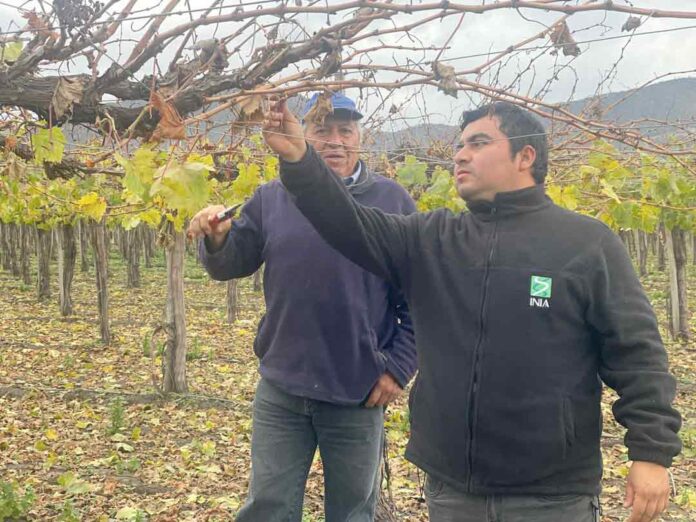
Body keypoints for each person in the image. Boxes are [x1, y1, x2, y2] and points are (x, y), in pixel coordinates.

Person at [261, 99, 682, 522]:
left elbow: (637, 353)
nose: (461, 154)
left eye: (479, 142)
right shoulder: (433, 239)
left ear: (525, 156)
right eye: (460, 145)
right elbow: (347, 221)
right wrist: (299, 158)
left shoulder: (586, 244)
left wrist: (651, 452)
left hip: (551, 494)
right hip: (452, 489)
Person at [187, 92, 417, 522]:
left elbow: (418, 299)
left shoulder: (393, 202)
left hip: (358, 391)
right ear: (303, 135)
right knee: (266, 507)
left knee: (352, 513)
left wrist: (398, 367)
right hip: (282, 388)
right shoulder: (272, 197)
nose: (334, 140)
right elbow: (233, 261)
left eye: (345, 130)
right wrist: (217, 238)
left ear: (359, 137)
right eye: (322, 129)